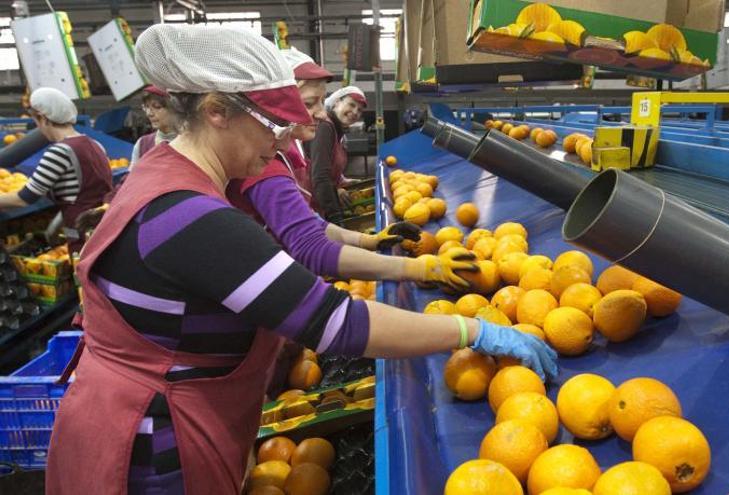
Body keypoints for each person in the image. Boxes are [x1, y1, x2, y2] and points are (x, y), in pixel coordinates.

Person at [45, 24, 557, 495]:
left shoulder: (165, 171)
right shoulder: (190, 216)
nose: (284, 142)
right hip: (149, 446)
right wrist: (472, 332)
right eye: (273, 125)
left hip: (140, 410)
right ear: (216, 111)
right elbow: (334, 322)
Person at [227, 49, 471, 290]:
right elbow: (310, 246)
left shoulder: (288, 152)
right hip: (269, 288)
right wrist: (415, 269)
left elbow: (309, 222)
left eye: (322, 101)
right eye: (310, 103)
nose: (322, 113)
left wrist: (367, 240)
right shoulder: (265, 165)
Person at [0, 87, 112, 254]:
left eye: (37, 123)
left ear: (44, 119)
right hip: (105, 230)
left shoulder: (59, 151)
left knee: (84, 278)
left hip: (82, 236)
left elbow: (24, 198)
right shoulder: (95, 145)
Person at [304, 85, 367, 223]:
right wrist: (336, 217)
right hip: (314, 208)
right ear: (337, 102)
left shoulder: (337, 131)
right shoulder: (325, 127)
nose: (355, 112)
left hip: (321, 205)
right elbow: (320, 176)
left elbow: (330, 166)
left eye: (359, 110)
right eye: (351, 104)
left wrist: (343, 182)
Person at [130, 85, 178, 167]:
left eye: (157, 107)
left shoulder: (192, 142)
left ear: (174, 109)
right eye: (146, 107)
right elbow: (132, 177)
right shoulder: (142, 144)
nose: (149, 113)